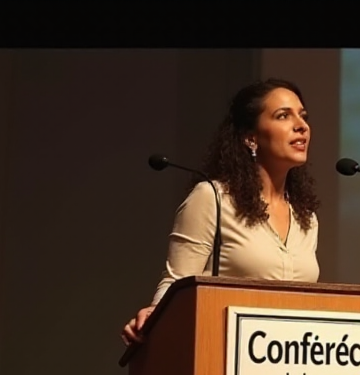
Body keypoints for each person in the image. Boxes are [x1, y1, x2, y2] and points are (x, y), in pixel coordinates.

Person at [121, 78, 320, 346]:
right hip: (223, 351)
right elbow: (177, 281)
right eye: (283, 116)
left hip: (290, 362)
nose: (301, 126)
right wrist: (154, 317)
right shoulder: (213, 198)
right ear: (251, 138)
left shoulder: (306, 217)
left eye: (303, 116)